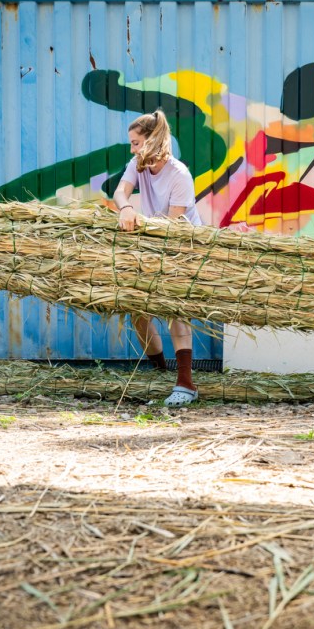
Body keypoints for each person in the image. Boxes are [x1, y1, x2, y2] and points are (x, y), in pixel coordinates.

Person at [112, 109, 204, 407]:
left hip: (182, 247)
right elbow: (120, 192)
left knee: (175, 308)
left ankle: (185, 384)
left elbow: (173, 223)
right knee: (138, 313)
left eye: (136, 142)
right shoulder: (137, 165)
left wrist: (143, 234)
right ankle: (160, 373)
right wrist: (126, 208)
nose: (132, 148)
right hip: (151, 243)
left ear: (152, 141)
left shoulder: (179, 175)